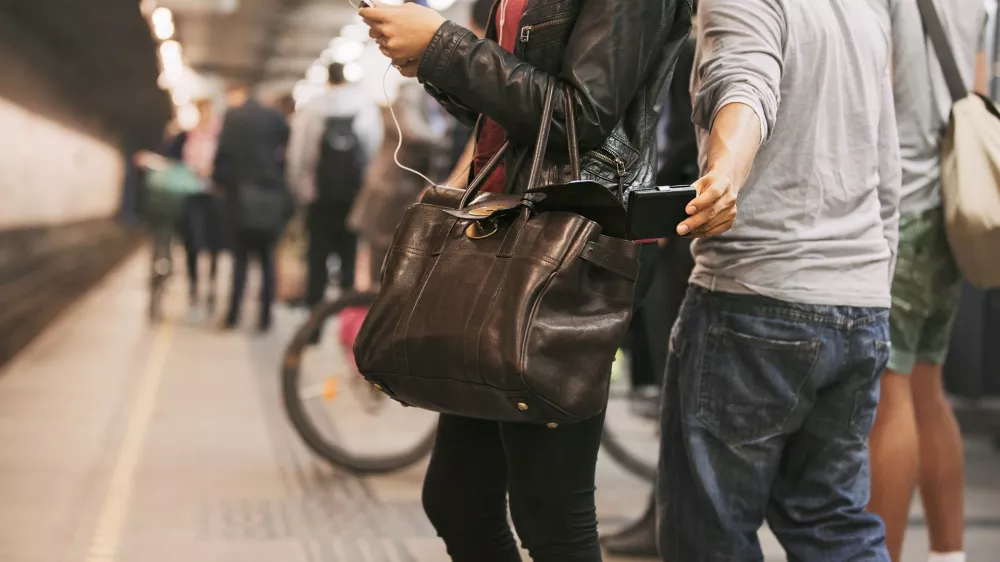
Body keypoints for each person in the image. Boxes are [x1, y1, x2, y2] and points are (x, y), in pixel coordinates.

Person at [361, 0, 692, 559]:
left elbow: (580, 117)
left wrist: (445, 46)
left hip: (572, 246)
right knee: (459, 499)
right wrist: (436, 61)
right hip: (514, 228)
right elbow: (514, 111)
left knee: (550, 514)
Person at [656, 0, 901, 560]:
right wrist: (874, 283)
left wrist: (723, 175)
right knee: (832, 522)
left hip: (756, 298)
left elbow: (744, 82)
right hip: (859, 302)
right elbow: (887, 169)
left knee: (709, 535)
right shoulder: (867, 9)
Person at [867, 2, 989, 561]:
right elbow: (981, 85)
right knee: (927, 388)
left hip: (903, 206)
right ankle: (949, 554)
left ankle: (883, 555)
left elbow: (876, 85)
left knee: (891, 401)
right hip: (953, 208)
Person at [600, 18, 700, 557]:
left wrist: (661, 207)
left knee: (676, 378)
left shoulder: (687, 45)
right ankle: (662, 509)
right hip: (672, 231)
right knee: (670, 380)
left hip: (678, 233)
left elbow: (680, 138)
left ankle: (667, 512)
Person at [287, 62, 381, 313]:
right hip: (353, 198)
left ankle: (314, 324)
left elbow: (298, 156)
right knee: (349, 261)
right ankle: (346, 323)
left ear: (327, 79)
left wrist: (301, 191)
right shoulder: (365, 108)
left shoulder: (311, 109)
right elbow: (375, 152)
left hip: (319, 198)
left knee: (316, 260)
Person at [348, 78, 444, 292]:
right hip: (386, 194)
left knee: (393, 256)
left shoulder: (420, 109)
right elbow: (414, 134)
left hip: (399, 194)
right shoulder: (399, 110)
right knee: (381, 259)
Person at [213, 82, 291, 332]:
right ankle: (265, 318)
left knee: (240, 261)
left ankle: (234, 315)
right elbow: (287, 151)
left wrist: (221, 183)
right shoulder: (275, 118)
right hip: (270, 196)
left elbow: (221, 157)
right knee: (267, 259)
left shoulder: (232, 118)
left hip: (239, 197)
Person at [180, 97, 224, 319]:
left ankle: (212, 290)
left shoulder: (221, 136)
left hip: (214, 196)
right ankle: (194, 292)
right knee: (192, 244)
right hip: (193, 195)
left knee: (214, 245)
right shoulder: (188, 134)